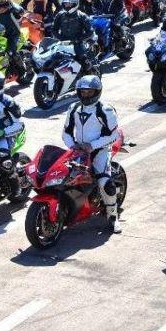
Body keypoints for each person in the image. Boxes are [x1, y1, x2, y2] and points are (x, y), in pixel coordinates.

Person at [61, 74, 123, 233]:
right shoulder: (73, 108)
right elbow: (66, 132)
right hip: (78, 150)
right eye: (83, 92)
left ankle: (113, 217)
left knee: (105, 183)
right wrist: (73, 146)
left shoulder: (105, 110)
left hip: (100, 150)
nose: (86, 95)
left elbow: (114, 135)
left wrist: (92, 145)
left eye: (89, 92)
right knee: (63, 177)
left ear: (97, 92)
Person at [49, 0, 96, 73]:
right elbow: (53, 29)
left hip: (78, 43)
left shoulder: (81, 15)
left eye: (69, 4)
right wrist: (60, 38)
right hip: (63, 43)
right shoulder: (60, 15)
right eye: (65, 4)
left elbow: (90, 32)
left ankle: (91, 73)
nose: (67, 5)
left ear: (75, 4)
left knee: (83, 61)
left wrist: (77, 40)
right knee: (53, 59)